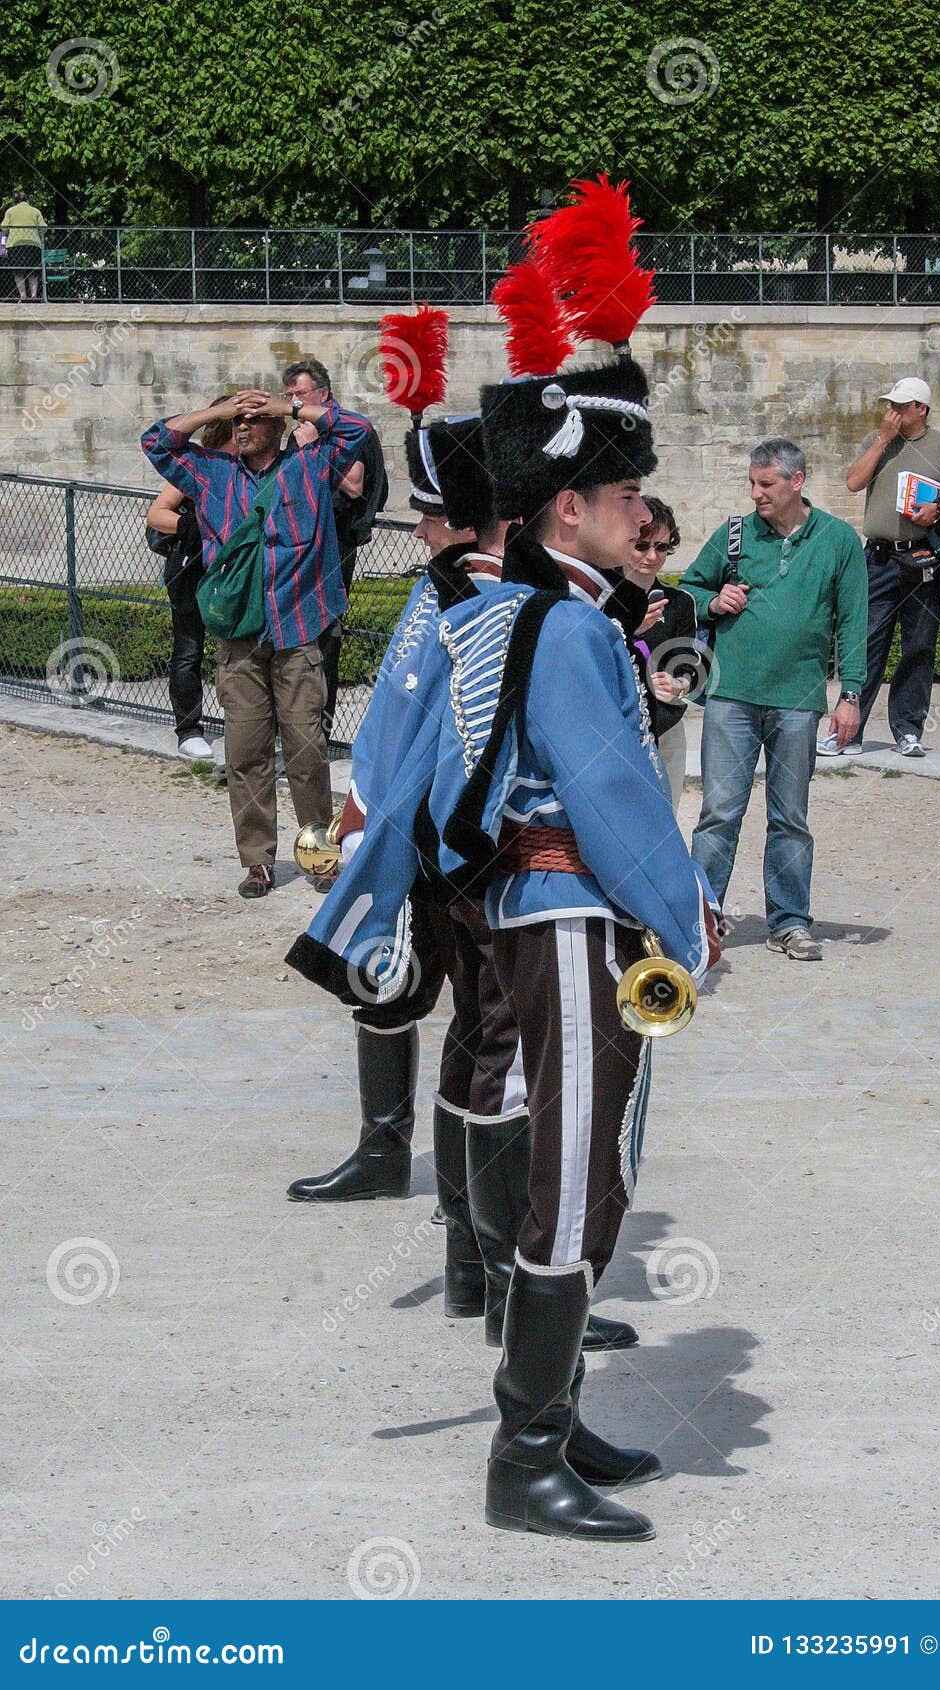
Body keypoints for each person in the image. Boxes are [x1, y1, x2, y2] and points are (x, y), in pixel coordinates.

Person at [291, 180, 721, 1541]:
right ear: (576, 505)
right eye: (629, 491)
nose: (642, 509)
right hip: (571, 911)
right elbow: (612, 798)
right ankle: (524, 1461)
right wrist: (689, 920)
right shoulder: (574, 632)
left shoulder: (507, 614)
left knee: (558, 1156)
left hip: (524, 908)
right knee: (577, 1169)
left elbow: (430, 770)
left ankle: (554, 1422)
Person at [287, 308, 637, 1354]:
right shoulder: (483, 601)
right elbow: (423, 730)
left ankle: (476, 1262)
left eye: (436, 514)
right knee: (502, 1056)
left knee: (484, 1049)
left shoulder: (466, 593)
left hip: (447, 849)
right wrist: (373, 842)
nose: (424, 530)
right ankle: (491, 1269)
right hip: (485, 860)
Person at [142, 389, 370, 897]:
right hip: (239, 640)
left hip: (297, 633)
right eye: (238, 422)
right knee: (246, 754)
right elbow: (157, 441)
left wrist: (287, 408)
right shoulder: (211, 474)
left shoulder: (310, 467)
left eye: (253, 420)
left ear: (275, 427)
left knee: (308, 754)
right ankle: (257, 862)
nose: (243, 428)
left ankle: (319, 857)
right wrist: (219, 412)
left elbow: (357, 428)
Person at [681, 439, 867, 963]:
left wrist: (850, 694)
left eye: (766, 484)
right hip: (730, 697)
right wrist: (712, 600)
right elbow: (685, 590)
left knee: (790, 817)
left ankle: (788, 921)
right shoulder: (735, 534)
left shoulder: (838, 541)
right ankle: (700, 919)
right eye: (752, 483)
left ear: (796, 481)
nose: (756, 493)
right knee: (719, 813)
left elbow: (855, 622)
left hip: (799, 699)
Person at [824, 376, 940, 759]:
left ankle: (908, 730)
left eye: (900, 405)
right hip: (876, 558)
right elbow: (853, 483)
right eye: (889, 404)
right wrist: (880, 440)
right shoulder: (877, 441)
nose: (891, 411)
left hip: (923, 557)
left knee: (919, 646)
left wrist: (938, 510)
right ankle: (848, 731)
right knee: (865, 642)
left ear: (921, 409)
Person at [281, 358, 388, 744]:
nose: (293, 402)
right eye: (289, 395)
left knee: (325, 638)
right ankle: (292, 732)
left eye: (300, 394)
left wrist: (314, 448)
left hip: (334, 545)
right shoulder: (301, 431)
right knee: (293, 637)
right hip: (299, 543)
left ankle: (317, 738)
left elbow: (354, 487)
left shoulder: (346, 428)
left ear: (322, 394)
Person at [146, 398, 235, 759]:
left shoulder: (254, 466)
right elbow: (157, 514)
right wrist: (195, 526)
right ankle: (188, 729)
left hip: (233, 571)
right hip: (193, 568)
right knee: (189, 648)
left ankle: (245, 726)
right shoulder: (201, 463)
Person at [623, 496, 704, 811]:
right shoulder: (600, 596)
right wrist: (630, 629)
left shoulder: (679, 602)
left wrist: (678, 685)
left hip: (666, 725)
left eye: (662, 547)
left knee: (666, 816)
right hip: (619, 726)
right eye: (642, 546)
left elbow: (688, 664)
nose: (652, 556)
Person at [1, 187, 46, 301]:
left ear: (15, 200)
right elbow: (43, 228)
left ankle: (23, 296)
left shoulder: (10, 211)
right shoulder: (35, 211)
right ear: (27, 199)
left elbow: (4, 227)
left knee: (18, 271)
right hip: (33, 243)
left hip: (15, 243)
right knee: (33, 272)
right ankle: (34, 296)